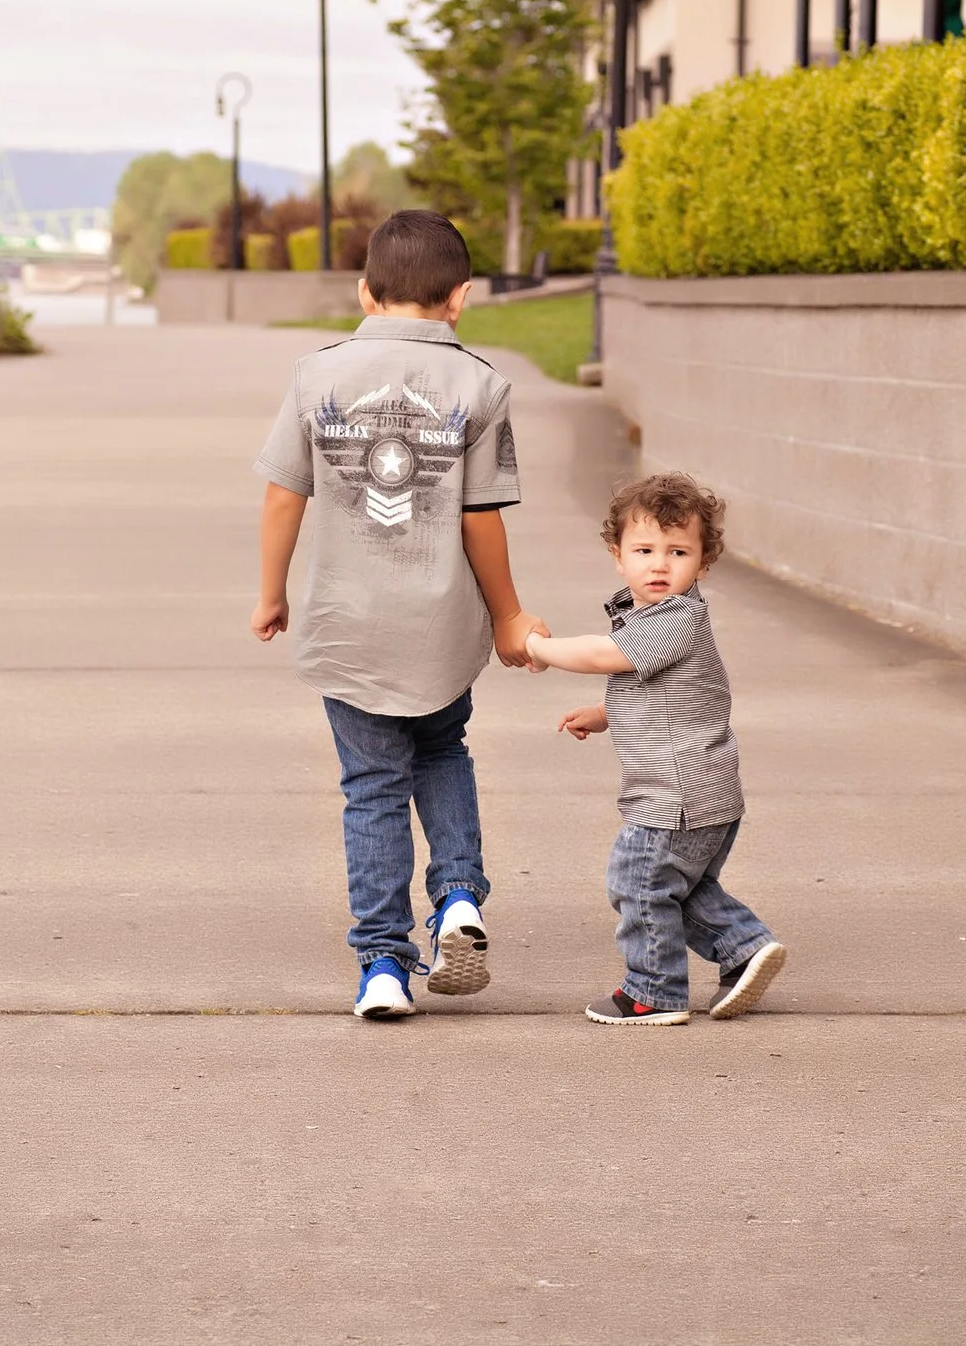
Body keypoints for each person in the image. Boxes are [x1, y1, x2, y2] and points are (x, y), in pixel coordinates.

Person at [252, 209, 547, 1020]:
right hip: (442, 625)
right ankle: (457, 895)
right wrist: (511, 616)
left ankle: (383, 964)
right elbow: (481, 517)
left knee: (372, 788)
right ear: (460, 298)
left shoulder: (316, 376)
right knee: (443, 749)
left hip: (349, 629)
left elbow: (284, 495)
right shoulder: (480, 384)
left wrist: (272, 591)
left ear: (363, 291)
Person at [524, 472, 787, 1026]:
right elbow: (669, 693)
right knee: (679, 888)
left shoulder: (675, 618)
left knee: (637, 881)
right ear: (618, 556)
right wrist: (605, 714)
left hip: (675, 798)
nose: (660, 564)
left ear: (704, 563)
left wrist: (538, 647)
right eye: (644, 550)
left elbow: (603, 656)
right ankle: (744, 949)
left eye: (678, 551)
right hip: (706, 793)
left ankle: (652, 992)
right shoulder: (658, 620)